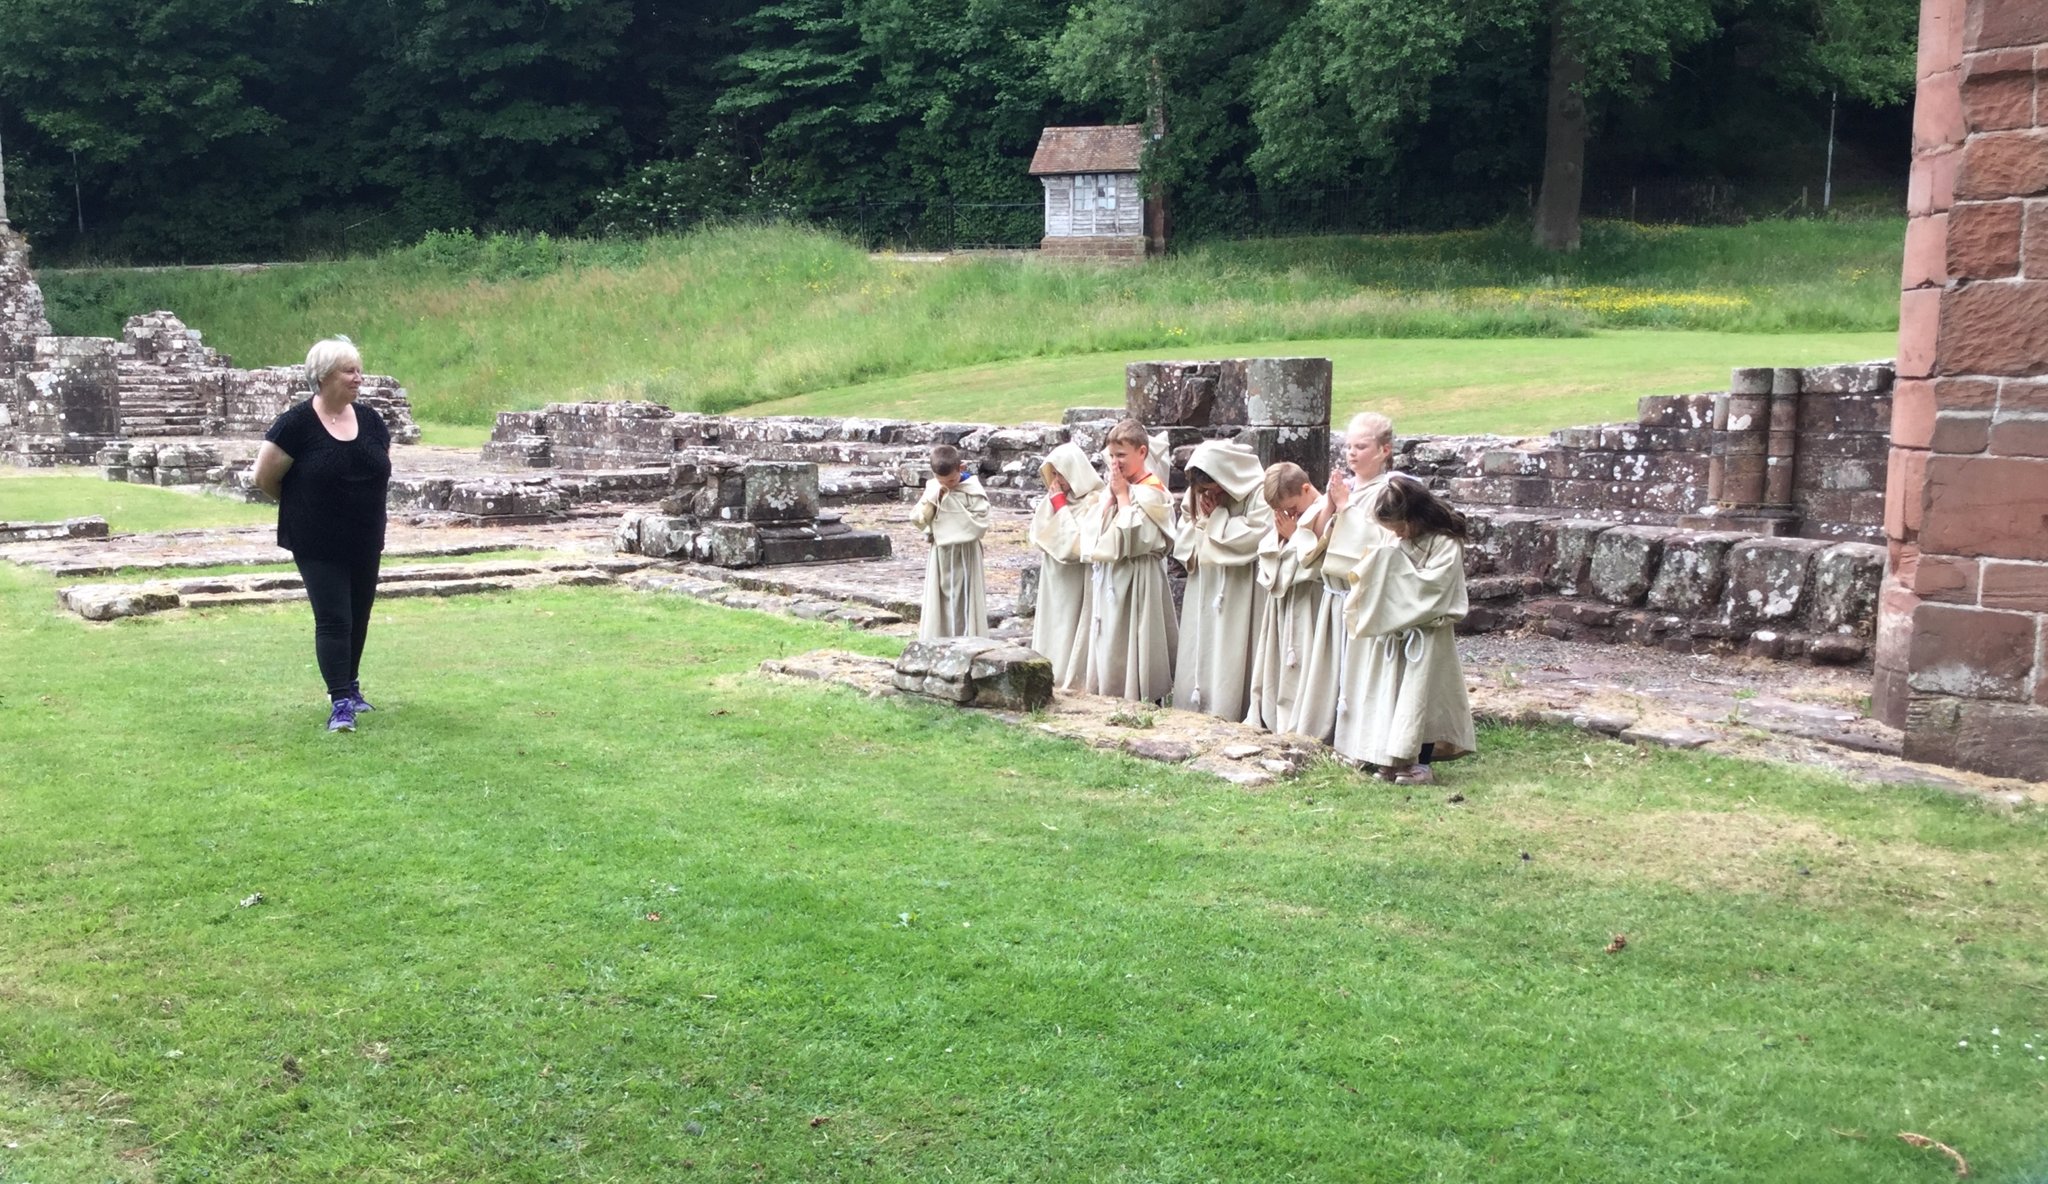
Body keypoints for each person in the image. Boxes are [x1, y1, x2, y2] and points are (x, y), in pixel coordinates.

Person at [251, 336, 393, 733]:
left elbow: (378, 468)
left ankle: (352, 685)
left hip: (365, 536)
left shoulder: (371, 421)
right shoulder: (296, 424)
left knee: (359, 616)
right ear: (324, 376)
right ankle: (340, 701)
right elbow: (263, 478)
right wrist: (306, 507)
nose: (358, 378)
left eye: (359, 370)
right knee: (334, 618)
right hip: (316, 539)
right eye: (350, 371)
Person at [1341, 475, 1477, 784]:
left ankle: (1423, 765)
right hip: (1395, 632)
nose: (1398, 534)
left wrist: (1390, 569)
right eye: (1393, 530)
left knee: (1423, 698)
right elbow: (1383, 572)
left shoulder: (1444, 542)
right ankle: (1391, 758)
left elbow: (1435, 588)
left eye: (1401, 527)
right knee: (1393, 694)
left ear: (1416, 516)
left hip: (1427, 634)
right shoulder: (1396, 538)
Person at [1293, 412, 1399, 746]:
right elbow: (1316, 536)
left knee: (1358, 671)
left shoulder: (1392, 492)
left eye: (1361, 446)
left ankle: (1361, 739)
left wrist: (1346, 508)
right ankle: (1325, 732)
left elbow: (1382, 544)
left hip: (1362, 595)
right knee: (1329, 670)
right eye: (1348, 446)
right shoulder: (1347, 488)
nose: (1351, 453)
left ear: (1384, 450)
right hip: (1334, 593)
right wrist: (1331, 505)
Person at [1171, 440, 1270, 720]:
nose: (1208, 494)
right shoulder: (1197, 492)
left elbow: (1257, 535)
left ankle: (1230, 707)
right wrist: (1203, 524)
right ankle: (1193, 706)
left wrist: (1217, 518)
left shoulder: (1258, 490)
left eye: (1213, 488)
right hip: (1205, 581)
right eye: (1203, 490)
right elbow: (1187, 528)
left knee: (1232, 646)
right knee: (1202, 641)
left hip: (1240, 585)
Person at [1083, 419, 1178, 702]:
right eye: (1111, 456)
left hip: (1139, 576)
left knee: (1135, 637)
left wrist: (1123, 497)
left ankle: (1141, 695)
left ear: (1142, 452)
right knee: (1111, 636)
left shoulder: (1153, 491)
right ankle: (1109, 690)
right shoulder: (1117, 487)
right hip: (1113, 575)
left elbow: (1138, 539)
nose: (1115, 463)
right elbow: (1093, 535)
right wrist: (1110, 501)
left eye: (1121, 455)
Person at [1244, 462, 1322, 733]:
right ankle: (1273, 712)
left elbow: (1316, 563)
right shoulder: (1290, 513)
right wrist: (1280, 539)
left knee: (1305, 658)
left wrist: (1294, 537)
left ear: (1305, 488)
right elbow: (1269, 546)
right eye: (1281, 511)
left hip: (1309, 599)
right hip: (1283, 601)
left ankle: (1301, 717)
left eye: (1292, 507)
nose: (1289, 514)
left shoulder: (1323, 511)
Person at [1028, 442, 1102, 690]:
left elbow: (1078, 544)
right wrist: (1056, 505)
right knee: (1054, 623)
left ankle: (1070, 674)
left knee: (1071, 625)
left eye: (1060, 473)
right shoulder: (1053, 499)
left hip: (1076, 578)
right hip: (1054, 576)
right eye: (1054, 474)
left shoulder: (1095, 499)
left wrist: (1060, 506)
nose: (1056, 480)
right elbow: (1037, 533)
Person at [912, 444, 991, 639]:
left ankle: (967, 638)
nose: (948, 485)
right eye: (942, 481)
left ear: (961, 468)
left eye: (952, 480)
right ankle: (939, 638)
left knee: (963, 599)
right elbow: (919, 518)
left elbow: (979, 523)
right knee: (941, 600)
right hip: (941, 554)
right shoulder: (935, 488)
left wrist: (947, 520)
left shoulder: (972, 490)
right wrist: (934, 499)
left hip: (965, 552)